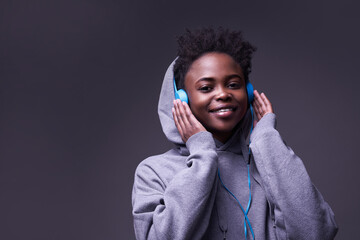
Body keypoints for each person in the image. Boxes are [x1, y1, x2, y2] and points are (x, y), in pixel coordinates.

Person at [131, 27, 338, 240]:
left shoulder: (268, 162)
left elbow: (318, 233)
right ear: (181, 99)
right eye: (206, 88)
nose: (223, 94)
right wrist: (202, 154)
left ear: (247, 93)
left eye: (233, 84)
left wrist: (268, 139)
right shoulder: (153, 171)